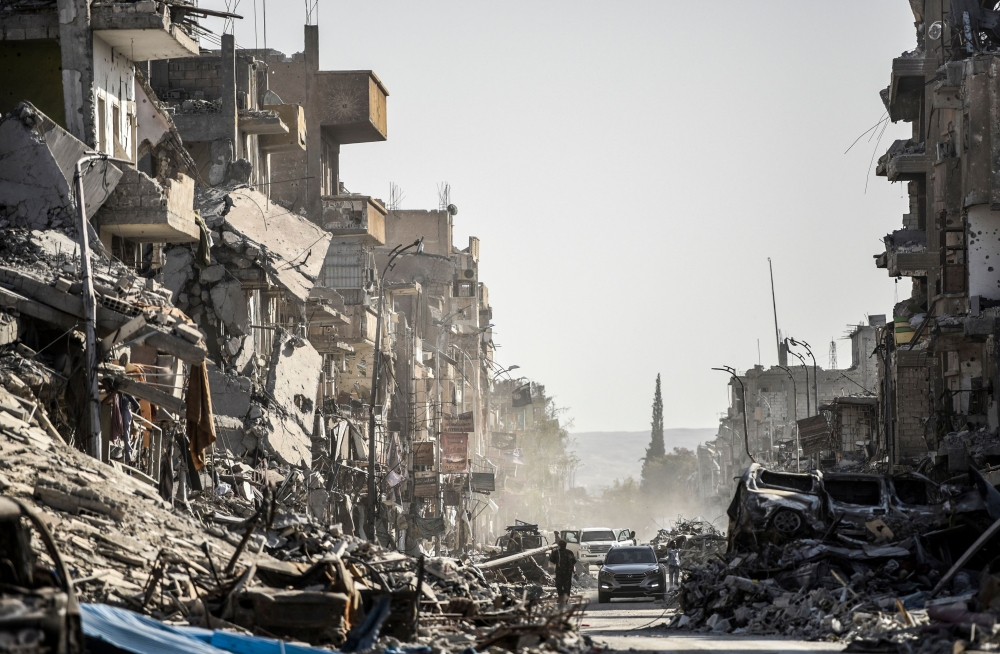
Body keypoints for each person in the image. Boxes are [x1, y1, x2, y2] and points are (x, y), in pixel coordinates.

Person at [549, 539, 577, 608]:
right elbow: (574, 561)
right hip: (564, 572)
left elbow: (552, 560)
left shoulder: (560, 552)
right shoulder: (560, 552)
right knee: (562, 585)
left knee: (563, 585)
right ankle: (563, 598)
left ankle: (564, 598)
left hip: (563, 572)